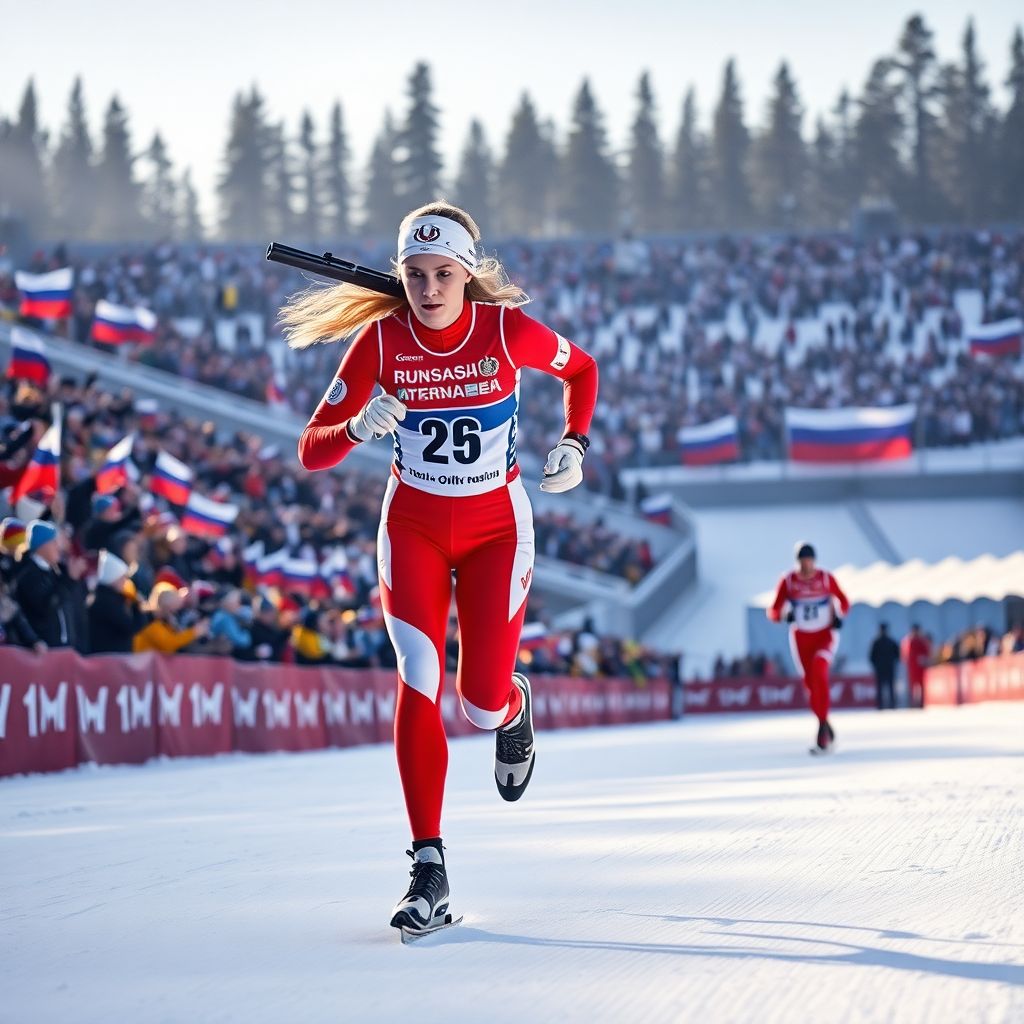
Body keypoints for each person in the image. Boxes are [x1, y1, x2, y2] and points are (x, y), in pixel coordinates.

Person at [282, 200, 598, 935]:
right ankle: (429, 863)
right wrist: (355, 425)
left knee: (479, 703)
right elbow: (311, 448)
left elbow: (581, 370)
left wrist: (576, 444)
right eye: (415, 275)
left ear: (466, 274)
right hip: (414, 526)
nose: (428, 289)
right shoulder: (380, 342)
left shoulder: (504, 331)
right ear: (401, 275)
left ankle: (512, 708)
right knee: (417, 678)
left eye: (443, 275)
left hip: (495, 528)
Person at [767, 542, 850, 752]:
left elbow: (844, 600)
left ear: (814, 561)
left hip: (825, 635)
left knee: (820, 670)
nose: (806, 566)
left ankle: (822, 734)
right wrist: (785, 615)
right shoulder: (788, 581)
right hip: (801, 638)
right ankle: (824, 723)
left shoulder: (825, 578)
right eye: (802, 562)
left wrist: (840, 615)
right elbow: (773, 611)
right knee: (810, 685)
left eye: (809, 561)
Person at [12, 520, 88, 651]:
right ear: (42, 545)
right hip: (43, 654)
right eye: (54, 542)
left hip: (63, 650)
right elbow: (46, 607)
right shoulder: (28, 575)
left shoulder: (53, 572)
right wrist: (69, 580)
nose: (59, 547)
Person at [88, 549, 148, 654]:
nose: (125, 582)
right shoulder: (108, 601)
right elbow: (131, 627)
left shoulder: (108, 597)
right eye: (122, 578)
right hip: (109, 658)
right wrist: (137, 606)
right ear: (112, 578)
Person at [869, 622, 900, 710]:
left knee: (882, 687)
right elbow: (897, 655)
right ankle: (892, 705)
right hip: (889, 668)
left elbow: (871, 657)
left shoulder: (876, 642)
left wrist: (876, 665)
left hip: (881, 668)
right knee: (889, 687)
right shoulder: (891, 641)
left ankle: (881, 705)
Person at [900, 623, 932, 709]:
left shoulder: (921, 641)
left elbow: (927, 652)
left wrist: (924, 660)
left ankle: (921, 703)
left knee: (921, 685)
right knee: (912, 686)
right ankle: (913, 703)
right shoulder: (908, 640)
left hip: (920, 667)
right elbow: (904, 654)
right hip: (912, 667)